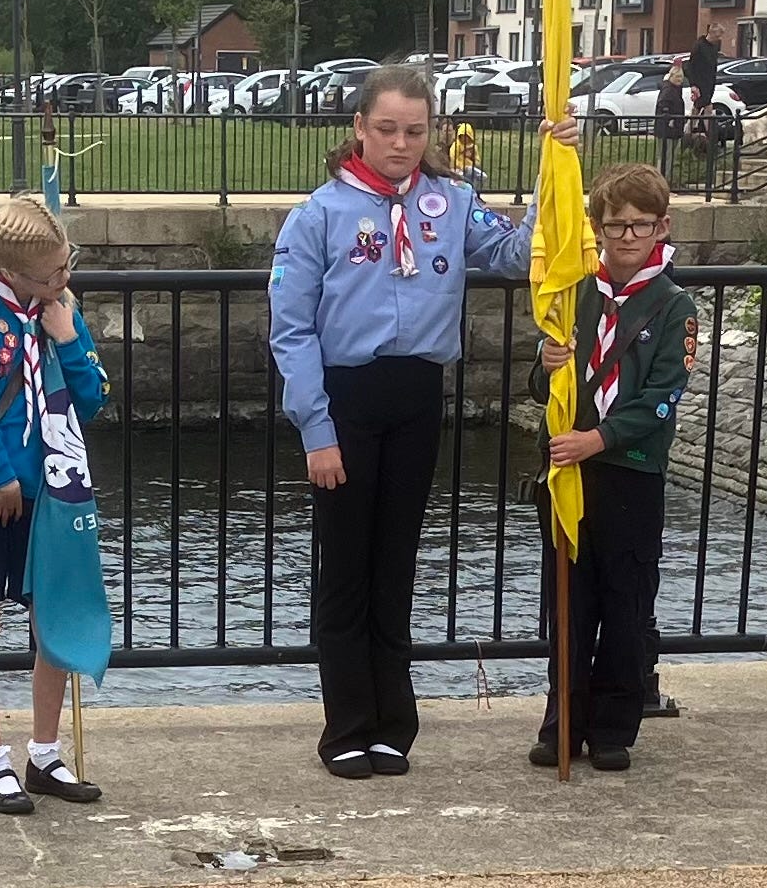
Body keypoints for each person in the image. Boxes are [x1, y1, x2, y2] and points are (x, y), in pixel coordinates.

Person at [268, 65, 580, 779]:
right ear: (359, 129)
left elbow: (513, 255)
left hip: (418, 394)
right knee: (346, 568)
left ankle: (392, 725)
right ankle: (346, 724)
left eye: (415, 130)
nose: (401, 144)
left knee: (396, 564)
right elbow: (291, 333)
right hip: (346, 398)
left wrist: (551, 173)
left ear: (432, 130)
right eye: (386, 130)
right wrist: (316, 430)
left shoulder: (451, 201)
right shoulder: (319, 215)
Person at [0, 196, 110, 814]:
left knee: (51, 622)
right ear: (11, 272)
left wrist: (72, 333)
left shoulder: (58, 311)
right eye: (53, 274)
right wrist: (3, 476)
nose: (64, 280)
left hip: (48, 492)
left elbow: (89, 403)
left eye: (67, 266)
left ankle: (43, 754)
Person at [527, 162, 697, 772]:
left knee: (625, 605)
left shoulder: (674, 306)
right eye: (614, 225)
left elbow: (663, 396)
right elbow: (540, 383)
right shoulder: (576, 294)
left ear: (662, 227)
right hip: (570, 476)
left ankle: (613, 726)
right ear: (596, 228)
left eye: (640, 225)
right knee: (569, 603)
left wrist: (597, 440)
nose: (627, 237)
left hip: (628, 471)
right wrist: (545, 363)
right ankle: (562, 720)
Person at [684, 24, 722, 150]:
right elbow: (690, 66)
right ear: (711, 33)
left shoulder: (714, 47)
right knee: (706, 108)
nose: (719, 38)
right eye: (717, 35)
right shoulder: (699, 46)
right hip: (700, 83)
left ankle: (688, 134)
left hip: (709, 83)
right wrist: (693, 84)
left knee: (698, 109)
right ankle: (708, 136)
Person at [653, 66, 689, 186]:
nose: (680, 79)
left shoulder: (676, 89)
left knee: (670, 157)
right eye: (677, 76)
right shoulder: (668, 89)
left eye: (681, 77)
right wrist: (670, 119)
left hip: (674, 129)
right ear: (671, 76)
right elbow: (662, 106)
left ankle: (665, 182)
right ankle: (662, 183)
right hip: (667, 130)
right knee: (665, 158)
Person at [448, 121, 489, 190]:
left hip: (470, 168)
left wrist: (471, 157)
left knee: (483, 177)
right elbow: (453, 159)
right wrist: (462, 166)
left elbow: (477, 162)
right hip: (458, 169)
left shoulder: (473, 147)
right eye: (462, 136)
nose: (464, 138)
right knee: (461, 180)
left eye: (466, 136)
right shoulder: (456, 146)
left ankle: (474, 191)